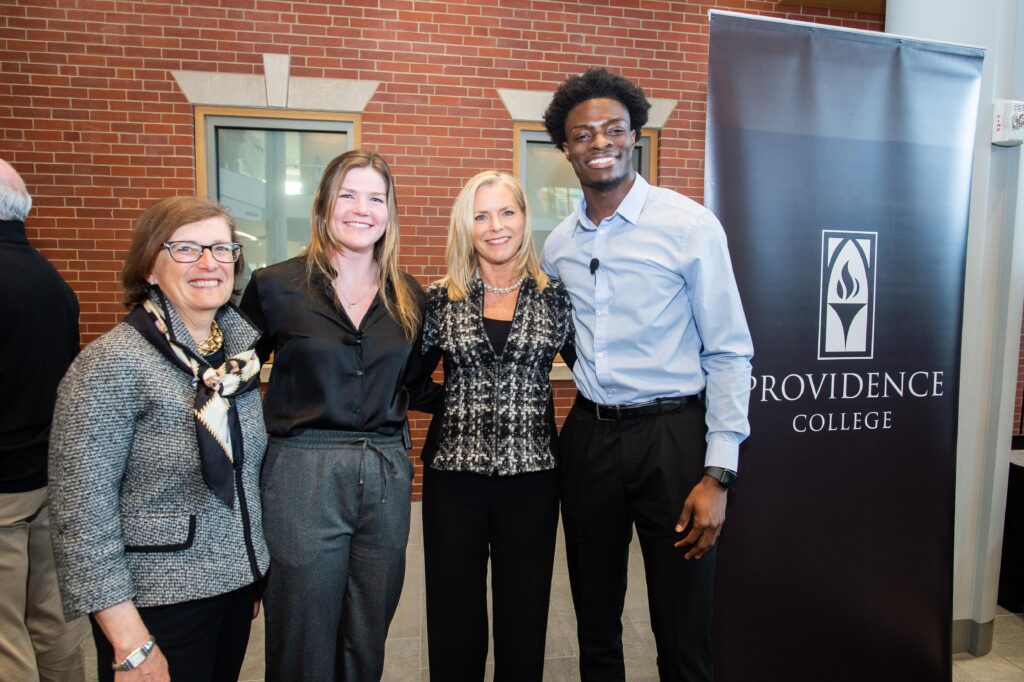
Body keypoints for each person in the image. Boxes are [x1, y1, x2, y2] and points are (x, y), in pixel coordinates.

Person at [540, 69, 754, 681]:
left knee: (683, 628)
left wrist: (718, 472)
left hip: (674, 440)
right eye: (583, 134)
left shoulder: (689, 226)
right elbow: (569, 337)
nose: (598, 142)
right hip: (590, 441)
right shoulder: (559, 245)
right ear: (566, 148)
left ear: (635, 135)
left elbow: (730, 352)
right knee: (595, 624)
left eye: (612, 129)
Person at [48, 197, 269, 682]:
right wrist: (129, 643)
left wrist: (248, 570)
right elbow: (79, 516)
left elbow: (243, 472)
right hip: (155, 605)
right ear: (150, 266)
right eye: (187, 249)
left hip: (232, 590)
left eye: (221, 248)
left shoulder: (237, 363)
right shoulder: (110, 365)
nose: (209, 263)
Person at [240, 149, 436, 681]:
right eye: (347, 194)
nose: (361, 209)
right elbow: (230, 376)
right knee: (302, 632)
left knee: (367, 631)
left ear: (390, 212)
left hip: (385, 475)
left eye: (376, 198)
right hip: (302, 472)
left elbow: (415, 385)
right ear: (324, 203)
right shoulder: (274, 285)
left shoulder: (410, 296)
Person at [420, 170, 574, 681]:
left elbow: (598, 375)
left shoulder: (556, 298)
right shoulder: (440, 298)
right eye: (481, 215)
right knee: (453, 616)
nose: (495, 226)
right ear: (467, 226)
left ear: (525, 219)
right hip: (453, 478)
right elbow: (408, 380)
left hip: (532, 478)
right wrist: (458, 402)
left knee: (524, 616)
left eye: (506, 212)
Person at [0, 159, 89, 682]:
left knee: (5, 634)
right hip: (47, 476)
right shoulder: (51, 279)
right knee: (53, 622)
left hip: (4, 489)